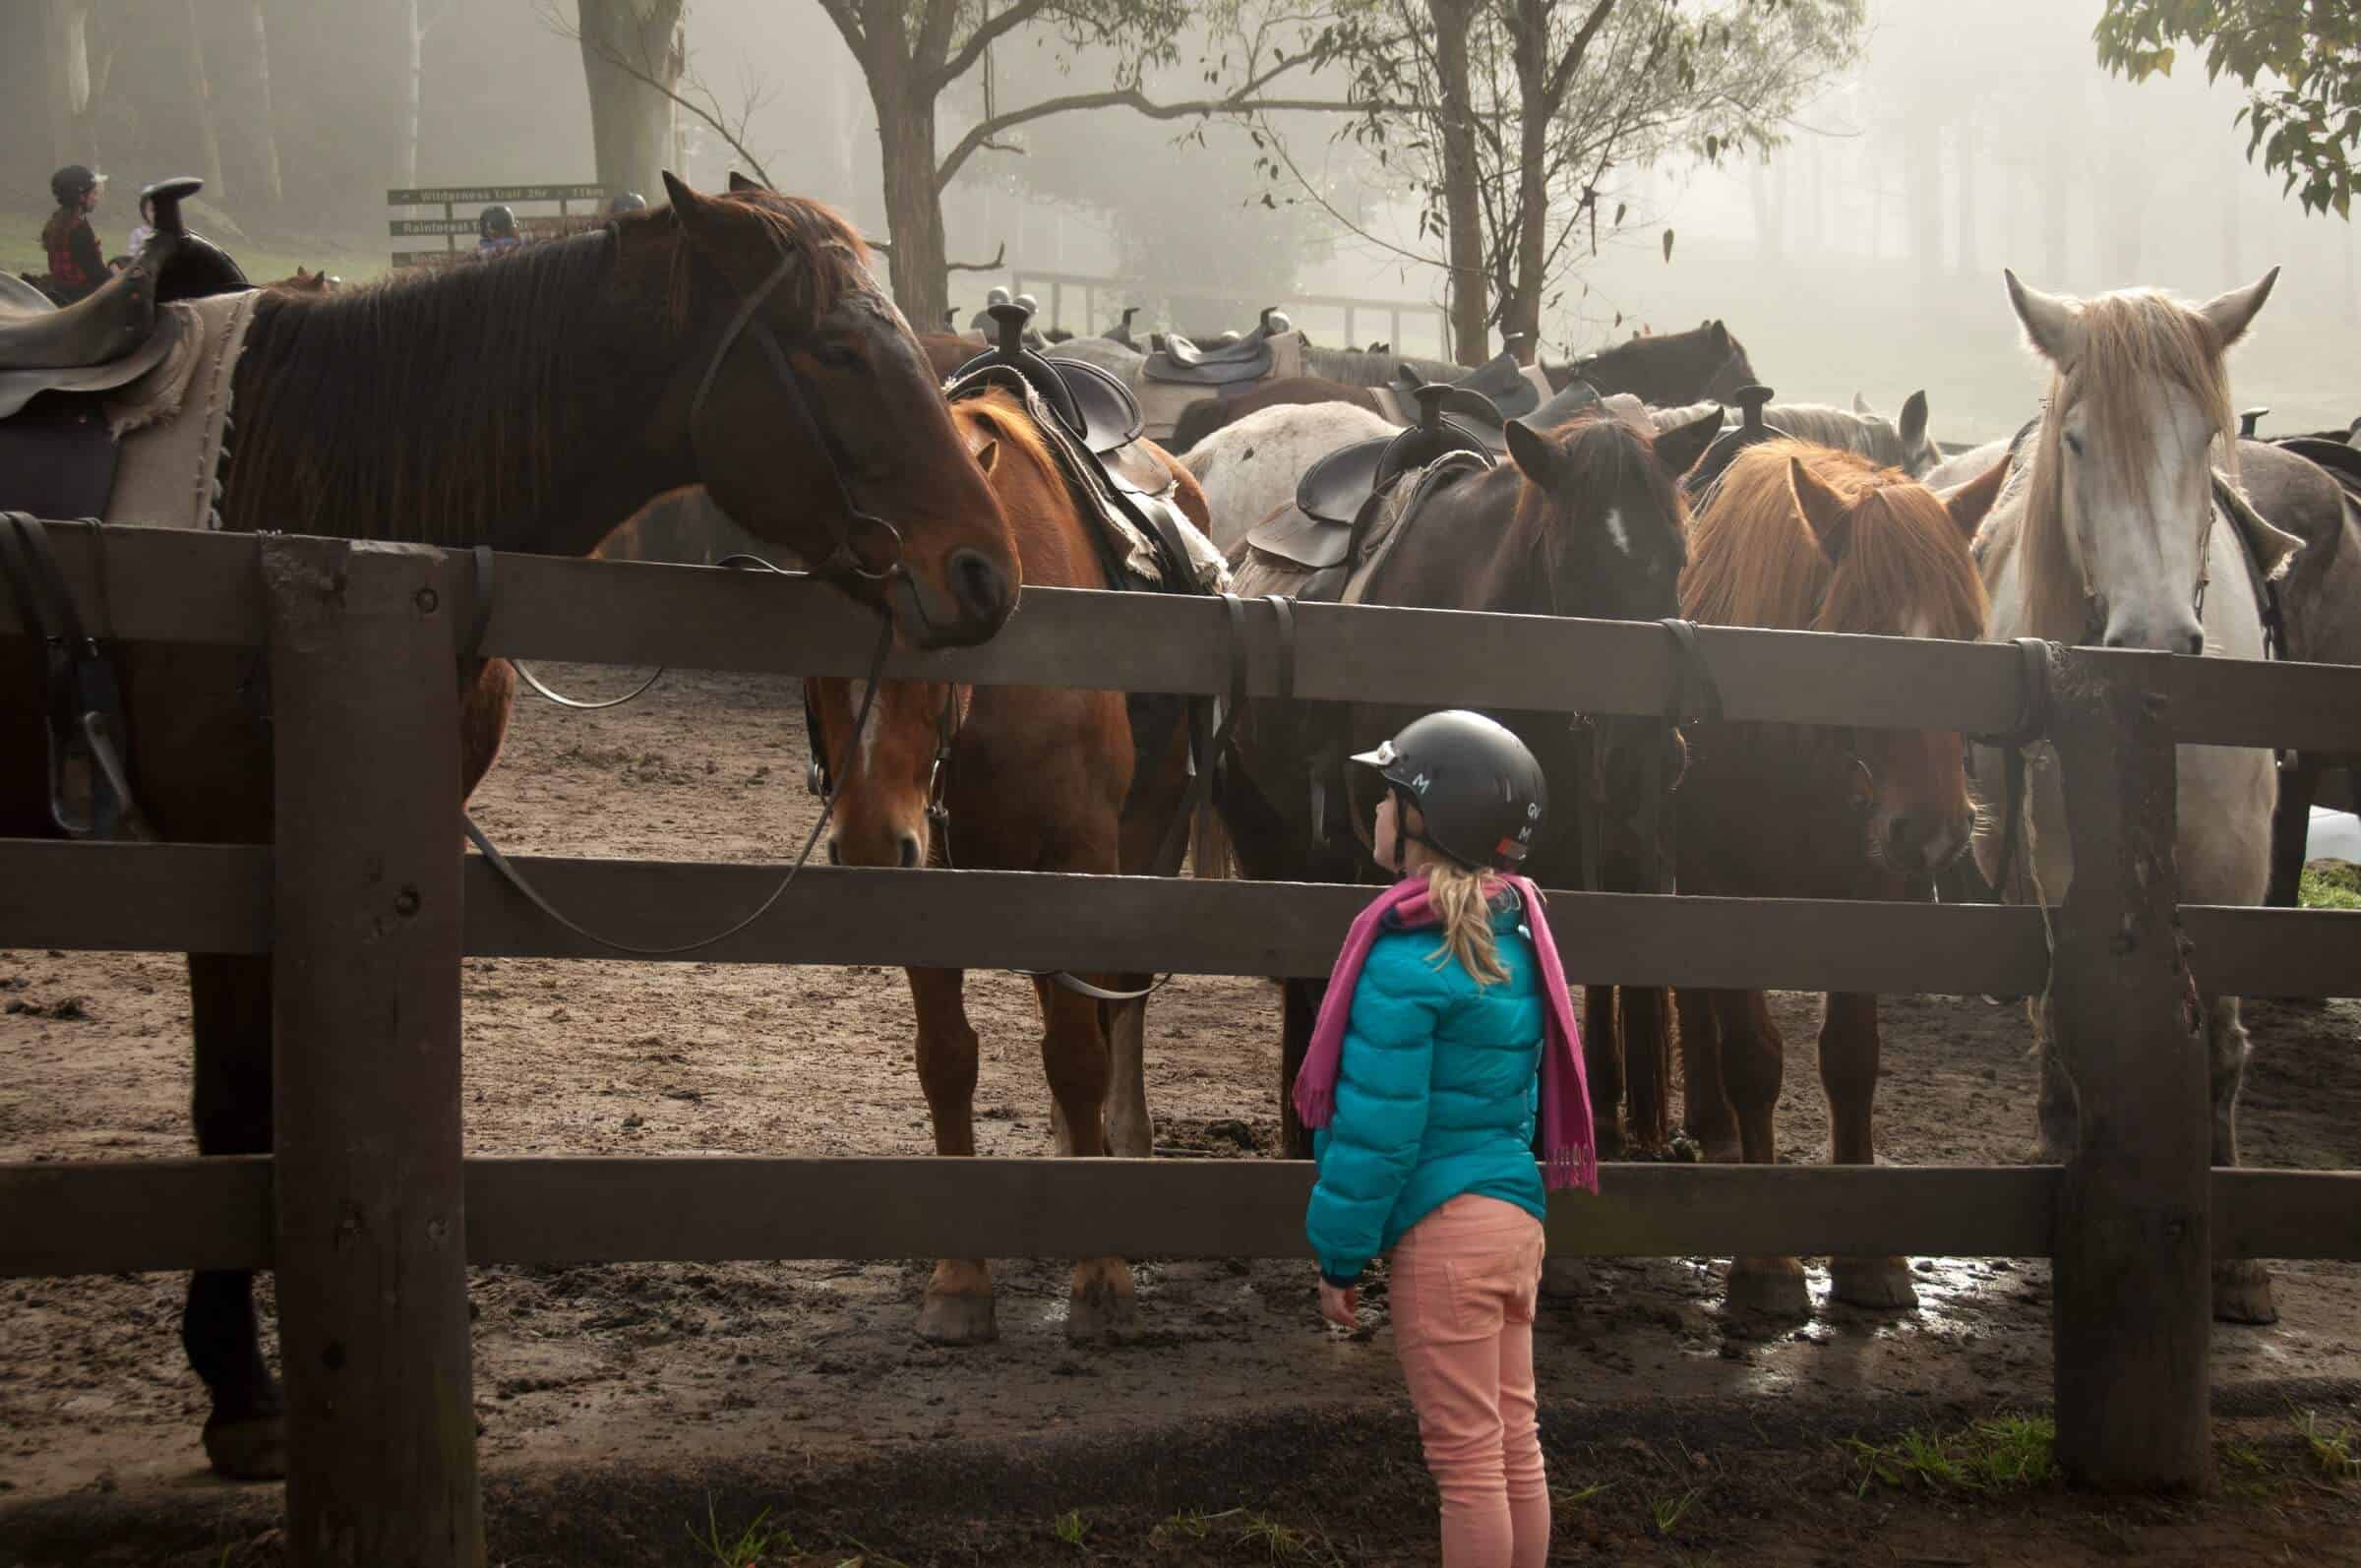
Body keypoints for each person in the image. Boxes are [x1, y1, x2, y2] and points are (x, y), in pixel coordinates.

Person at [1298, 709, 1597, 1568]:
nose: (1378, 812)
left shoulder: (1404, 959)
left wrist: (1340, 1259)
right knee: (1513, 1444)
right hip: (1513, 1220)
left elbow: (1377, 1136)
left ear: (1425, 821)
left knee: (1466, 1467)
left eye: (1390, 796)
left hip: (1444, 1235)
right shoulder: (1517, 938)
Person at [41, 164, 111, 303]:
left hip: (61, 291)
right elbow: (97, 274)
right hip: (81, 299)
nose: (96, 198)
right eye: (94, 193)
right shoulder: (78, 230)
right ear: (81, 197)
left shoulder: (58, 221)